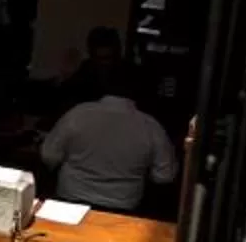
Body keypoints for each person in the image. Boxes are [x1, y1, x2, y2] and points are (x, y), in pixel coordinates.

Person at [41, 83, 179, 214]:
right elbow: (164, 176)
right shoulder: (151, 126)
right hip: (124, 204)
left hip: (70, 196)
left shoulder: (77, 114)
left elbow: (49, 155)